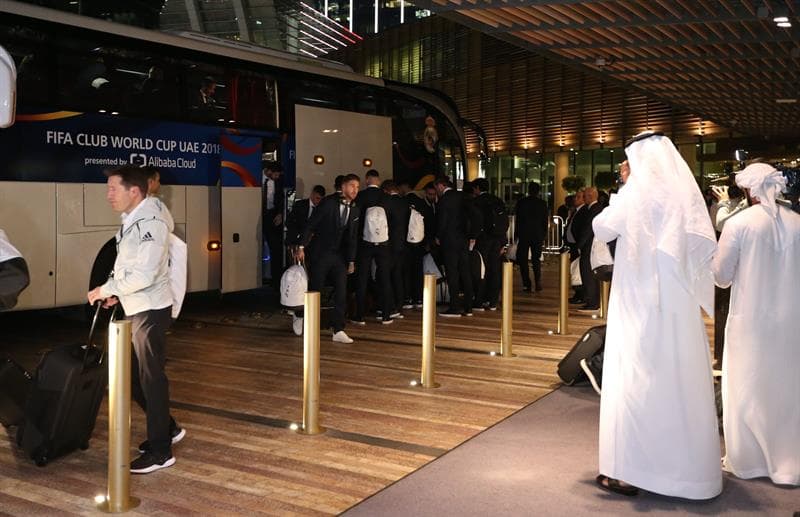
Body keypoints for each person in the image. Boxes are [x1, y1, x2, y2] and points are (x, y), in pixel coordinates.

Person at [591, 131, 721, 499]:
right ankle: (685, 472)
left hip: (640, 298)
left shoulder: (637, 190)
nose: (624, 166)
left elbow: (602, 227)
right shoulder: (681, 194)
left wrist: (623, 187)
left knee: (636, 379)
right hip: (676, 302)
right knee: (676, 378)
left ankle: (631, 471)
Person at [87, 165, 184, 474]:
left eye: (113, 189)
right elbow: (130, 264)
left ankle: (161, 451)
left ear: (135, 191)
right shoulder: (134, 219)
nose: (108, 195)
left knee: (151, 379)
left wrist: (107, 288)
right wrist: (118, 294)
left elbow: (145, 272)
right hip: (138, 304)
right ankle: (167, 428)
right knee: (134, 374)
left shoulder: (150, 223)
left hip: (151, 310)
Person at [712, 163, 800, 487]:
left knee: (747, 388)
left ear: (748, 190)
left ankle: (748, 460)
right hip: (791, 322)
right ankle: (788, 460)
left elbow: (721, 277)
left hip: (750, 323)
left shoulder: (739, 224)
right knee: (787, 388)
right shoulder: (798, 223)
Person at [296, 174, 361, 343]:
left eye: (358, 187)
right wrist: (301, 246)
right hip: (320, 252)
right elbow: (311, 224)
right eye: (352, 186)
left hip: (339, 256)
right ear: (344, 187)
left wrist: (352, 260)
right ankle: (302, 317)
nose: (355, 190)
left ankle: (338, 329)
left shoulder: (355, 208)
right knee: (316, 289)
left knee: (341, 291)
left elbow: (352, 237)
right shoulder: (328, 202)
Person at [434, 176, 473, 317]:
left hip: (449, 241)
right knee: (465, 272)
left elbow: (442, 221)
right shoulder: (462, 196)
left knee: (452, 273)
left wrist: (438, 236)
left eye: (436, 187)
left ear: (440, 185)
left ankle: (454, 307)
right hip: (463, 239)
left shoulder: (444, 200)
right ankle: (468, 307)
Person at [514, 182, 549, 293]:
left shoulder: (521, 202)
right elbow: (544, 221)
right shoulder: (542, 203)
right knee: (536, 259)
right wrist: (544, 234)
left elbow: (518, 220)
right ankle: (538, 281)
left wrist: (516, 234)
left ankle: (526, 283)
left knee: (522, 259)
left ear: (528, 190)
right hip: (537, 234)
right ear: (538, 191)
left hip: (524, 234)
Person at [262, 162, 285, 286]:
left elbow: (281, 199)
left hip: (271, 216)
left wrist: (281, 213)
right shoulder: (256, 177)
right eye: (276, 175)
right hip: (255, 213)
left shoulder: (278, 182)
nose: (277, 178)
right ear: (269, 171)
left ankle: (275, 280)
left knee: (275, 248)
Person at [285, 184, 326, 249]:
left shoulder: (322, 208)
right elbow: (289, 221)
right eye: (317, 198)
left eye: (321, 199)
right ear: (312, 194)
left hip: (313, 244)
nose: (319, 201)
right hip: (296, 240)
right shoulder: (299, 205)